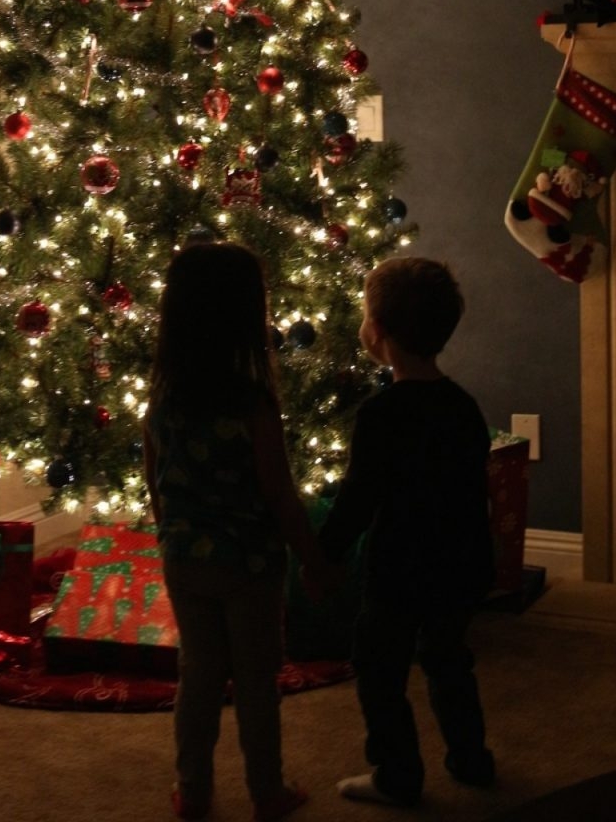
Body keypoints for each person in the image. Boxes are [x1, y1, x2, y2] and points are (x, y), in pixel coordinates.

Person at [143, 241, 330, 822]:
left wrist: (173, 536)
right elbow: (279, 493)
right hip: (249, 565)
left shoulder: (162, 401)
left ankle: (192, 790)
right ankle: (266, 791)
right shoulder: (253, 405)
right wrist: (313, 558)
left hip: (186, 560)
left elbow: (155, 482)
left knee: (197, 675)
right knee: (255, 680)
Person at [318, 256, 495, 808]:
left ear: (377, 331)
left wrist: (322, 554)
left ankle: (397, 773)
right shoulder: (464, 408)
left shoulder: (382, 414)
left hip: (400, 567)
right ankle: (472, 759)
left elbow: (358, 499)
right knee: (448, 660)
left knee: (379, 668)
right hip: (462, 562)